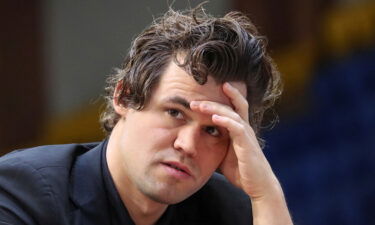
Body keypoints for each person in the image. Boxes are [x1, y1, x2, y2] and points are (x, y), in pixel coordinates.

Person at [0, 6, 293, 225]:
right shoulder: (22, 193)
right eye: (175, 112)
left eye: (213, 130)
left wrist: (265, 194)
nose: (188, 145)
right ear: (124, 96)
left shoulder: (229, 209)